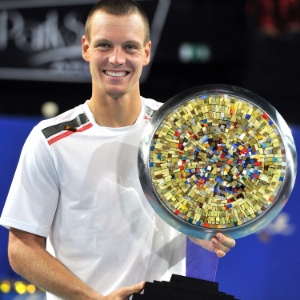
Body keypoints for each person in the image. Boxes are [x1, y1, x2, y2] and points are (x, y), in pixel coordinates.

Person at [0, 0, 236, 299]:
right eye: (104, 45)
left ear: (146, 52)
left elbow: (205, 219)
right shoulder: (49, 140)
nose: (116, 58)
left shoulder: (181, 132)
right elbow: (21, 249)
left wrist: (209, 233)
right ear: (85, 48)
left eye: (130, 47)